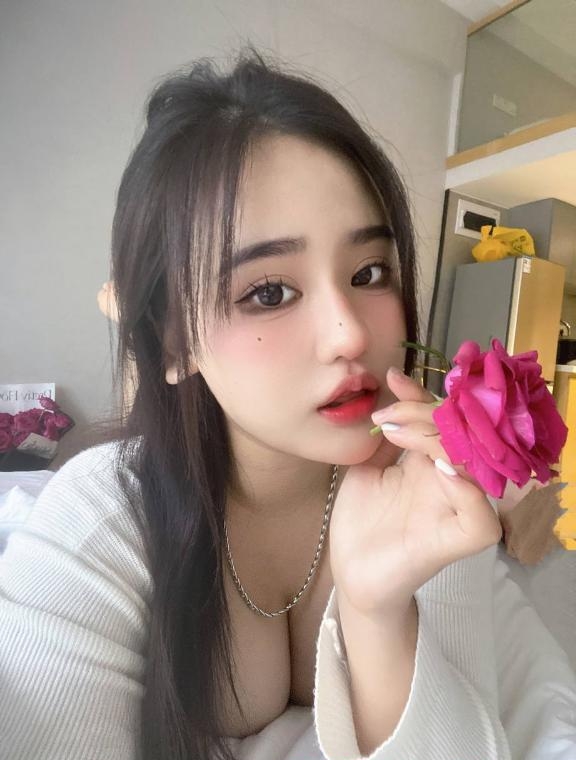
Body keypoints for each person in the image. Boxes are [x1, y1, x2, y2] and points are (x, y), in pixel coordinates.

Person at [1, 49, 575, 760]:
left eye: (370, 272)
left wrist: (375, 612)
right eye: (268, 292)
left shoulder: (426, 489)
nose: (350, 334)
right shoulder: (104, 519)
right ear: (175, 343)